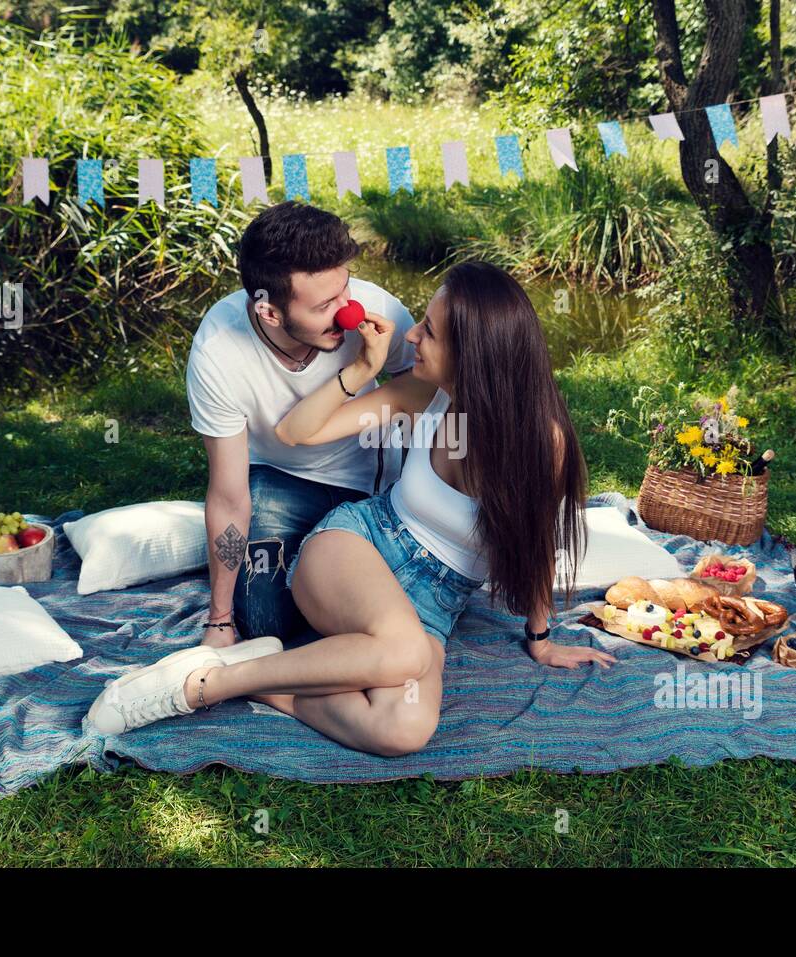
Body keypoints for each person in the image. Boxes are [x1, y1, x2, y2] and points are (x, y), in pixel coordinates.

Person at [87, 261, 616, 755]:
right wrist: (363, 367)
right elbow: (297, 431)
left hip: (434, 602)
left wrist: (541, 639)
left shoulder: (539, 441)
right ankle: (199, 686)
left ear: (473, 352)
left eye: (428, 332)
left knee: (403, 728)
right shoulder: (421, 395)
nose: (411, 336)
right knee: (404, 654)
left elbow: (535, 538)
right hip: (357, 546)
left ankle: (263, 669)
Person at [186, 202, 417, 649]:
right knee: (263, 622)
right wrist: (218, 620)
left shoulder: (376, 308)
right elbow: (229, 494)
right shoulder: (218, 352)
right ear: (269, 312)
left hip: (373, 483)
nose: (348, 313)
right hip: (281, 480)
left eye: (345, 290)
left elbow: (421, 390)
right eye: (325, 305)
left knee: (404, 603)